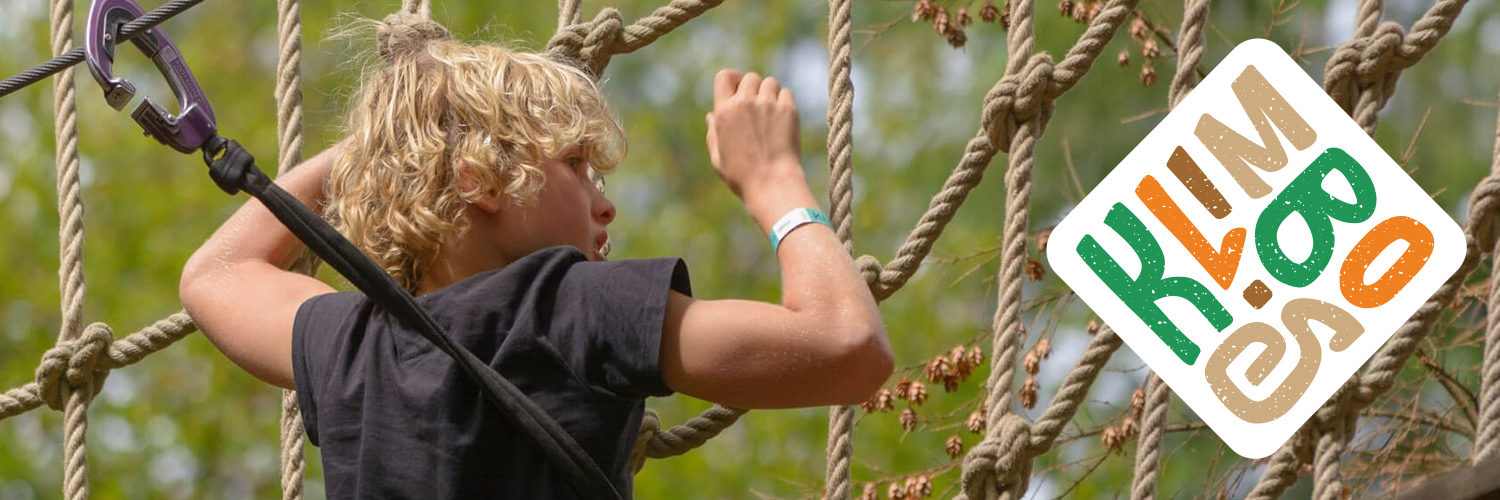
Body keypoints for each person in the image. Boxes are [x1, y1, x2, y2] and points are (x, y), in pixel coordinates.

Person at [178, 24, 891, 500]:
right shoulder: (569, 306)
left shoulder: (354, 343)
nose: (603, 204)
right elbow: (847, 346)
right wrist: (774, 182)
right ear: (476, 179)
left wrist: (381, 148)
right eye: (577, 166)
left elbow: (216, 274)